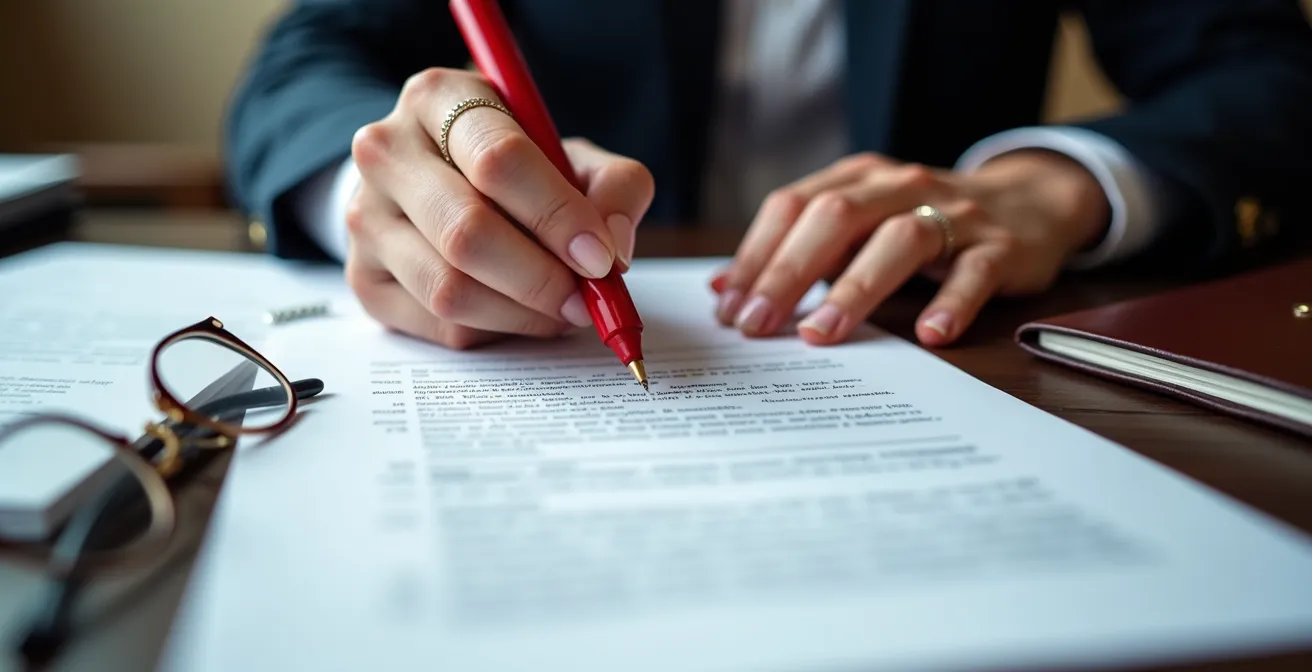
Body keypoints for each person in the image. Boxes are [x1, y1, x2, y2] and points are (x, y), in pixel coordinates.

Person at [225, 0, 1312, 350]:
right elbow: (304, 67)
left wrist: (1061, 183)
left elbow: (1269, 69)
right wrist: (381, 186)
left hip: (950, 332)